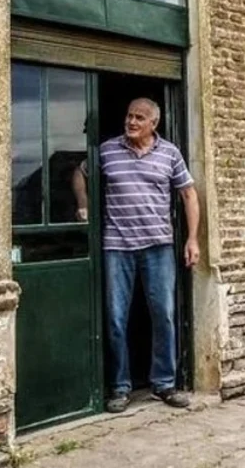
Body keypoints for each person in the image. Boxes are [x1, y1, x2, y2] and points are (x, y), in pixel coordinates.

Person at [71, 98, 200, 412]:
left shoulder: (170, 153)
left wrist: (193, 238)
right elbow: (79, 173)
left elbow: (188, 194)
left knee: (164, 316)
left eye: (139, 118)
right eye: (129, 115)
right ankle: (119, 387)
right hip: (117, 246)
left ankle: (164, 384)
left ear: (153, 123)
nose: (131, 122)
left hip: (159, 246)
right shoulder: (107, 150)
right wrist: (83, 203)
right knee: (116, 318)